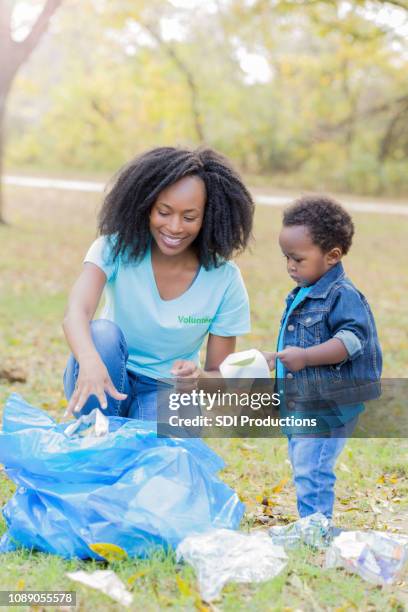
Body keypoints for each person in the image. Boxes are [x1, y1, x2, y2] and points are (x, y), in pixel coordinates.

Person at [63, 146, 254, 420]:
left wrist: (199, 378)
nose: (175, 227)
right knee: (101, 334)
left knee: (159, 455)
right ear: (146, 207)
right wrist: (90, 361)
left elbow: (218, 374)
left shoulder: (225, 279)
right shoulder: (115, 249)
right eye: (164, 212)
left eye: (189, 217)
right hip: (105, 372)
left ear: (208, 218)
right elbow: (76, 314)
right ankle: (96, 431)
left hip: (167, 391)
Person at [266, 195, 382, 519]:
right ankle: (311, 525)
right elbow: (296, 340)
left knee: (311, 468)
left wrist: (305, 356)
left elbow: (352, 340)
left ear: (332, 256)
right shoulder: (305, 289)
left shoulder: (342, 294)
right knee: (304, 462)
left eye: (298, 259)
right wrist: (273, 358)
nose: (290, 265)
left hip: (329, 404)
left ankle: (315, 531)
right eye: (285, 257)